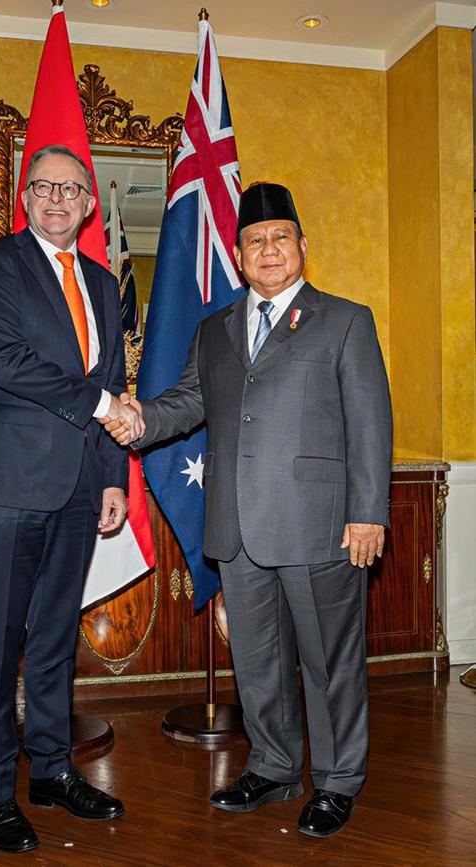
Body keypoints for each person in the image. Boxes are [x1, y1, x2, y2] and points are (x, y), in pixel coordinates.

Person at [102, 182, 393, 838]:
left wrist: (368, 512)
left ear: (303, 248)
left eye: (280, 237)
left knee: (328, 663)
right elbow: (185, 402)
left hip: (324, 525)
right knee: (257, 663)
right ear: (237, 257)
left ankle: (338, 780)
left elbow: (370, 422)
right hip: (237, 528)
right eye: (256, 240)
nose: (269, 250)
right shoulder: (216, 330)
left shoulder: (346, 320)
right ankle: (274, 764)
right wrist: (139, 416)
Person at [0, 144, 142, 854]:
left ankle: (53, 769)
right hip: (5, 481)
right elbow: (9, 362)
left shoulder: (99, 279)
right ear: (24, 198)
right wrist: (102, 407)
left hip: (75, 490)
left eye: (71, 188)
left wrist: (113, 476)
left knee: (57, 637)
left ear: (90, 204)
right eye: (43, 186)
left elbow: (113, 379)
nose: (57, 198)